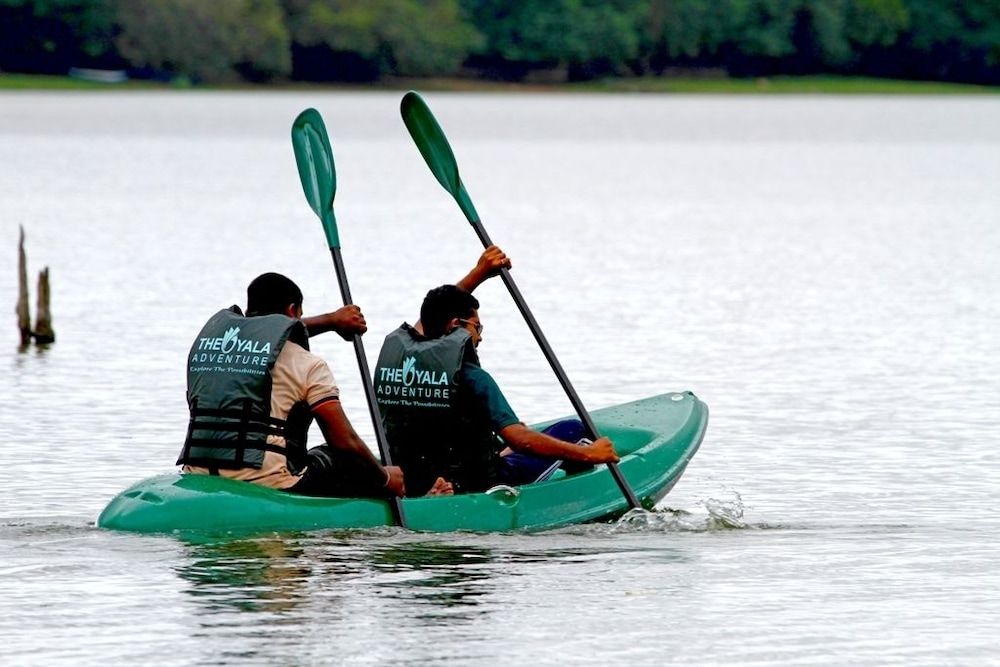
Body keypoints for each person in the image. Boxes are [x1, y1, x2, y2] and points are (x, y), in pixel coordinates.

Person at [373, 246, 619, 496]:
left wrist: (479, 273)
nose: (479, 338)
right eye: (477, 328)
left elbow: (434, 313)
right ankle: (574, 496)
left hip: (416, 477)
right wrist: (590, 453)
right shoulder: (473, 378)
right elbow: (518, 438)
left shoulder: (405, 363)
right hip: (479, 483)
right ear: (457, 325)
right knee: (573, 429)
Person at [176, 272, 405, 499]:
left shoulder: (211, 354)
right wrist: (384, 478)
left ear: (247, 313)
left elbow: (275, 332)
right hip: (271, 481)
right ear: (293, 310)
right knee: (340, 458)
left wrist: (332, 321)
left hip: (199, 471)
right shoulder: (308, 364)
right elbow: (344, 442)